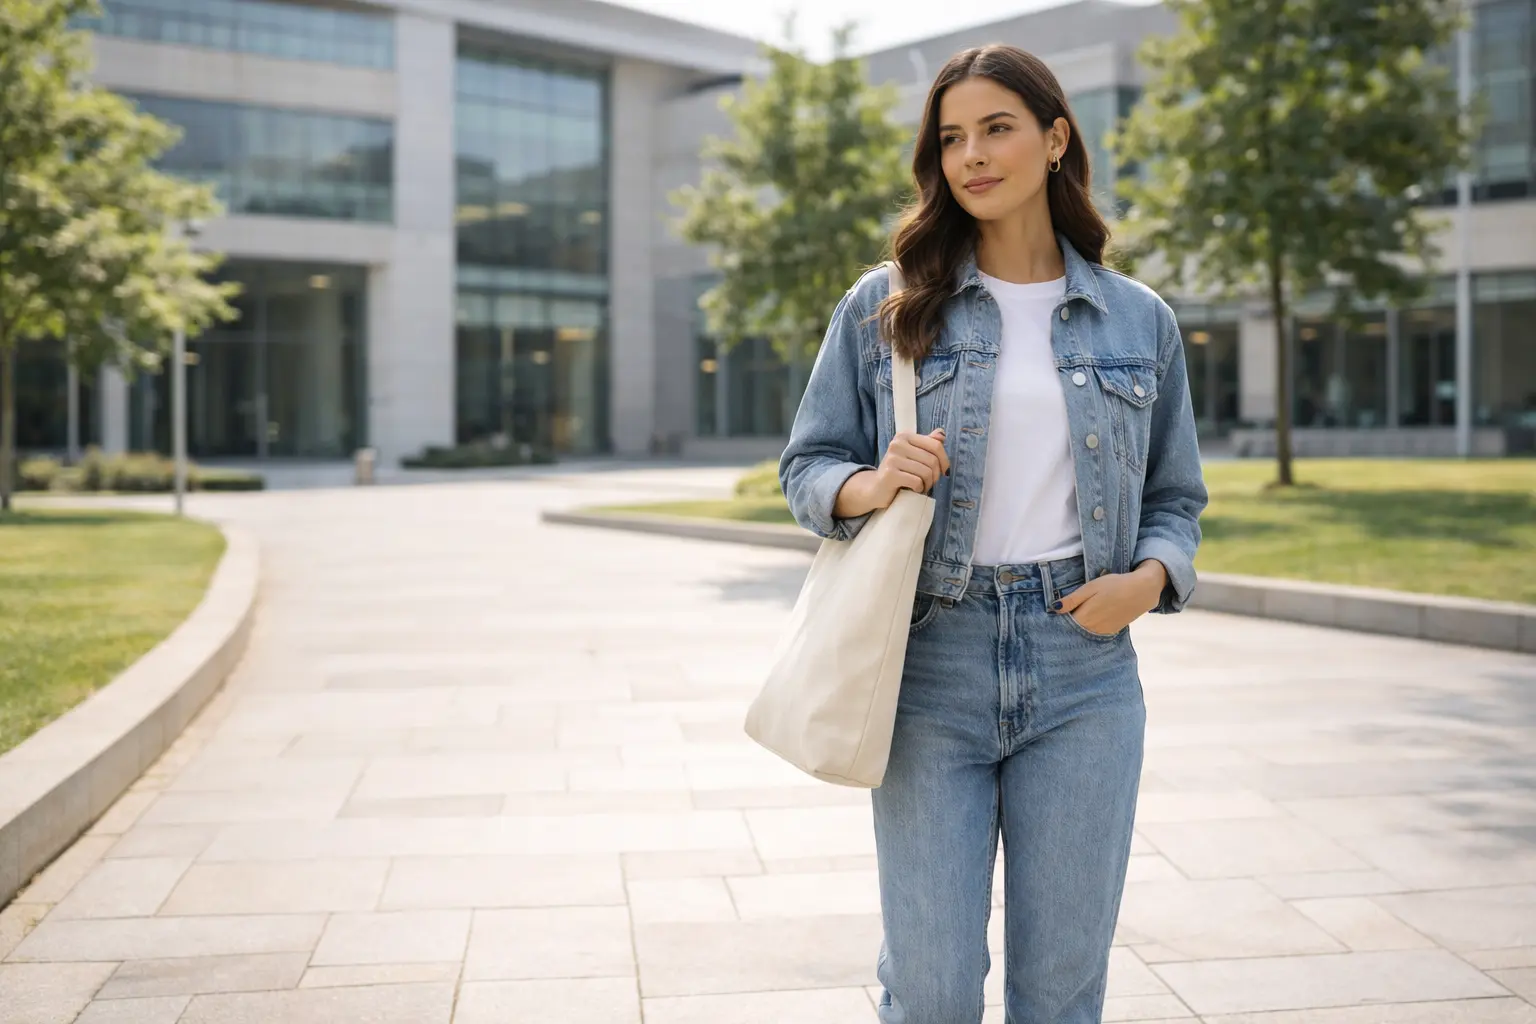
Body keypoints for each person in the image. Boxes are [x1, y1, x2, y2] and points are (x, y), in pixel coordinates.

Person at [778, 45, 1208, 1024]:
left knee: (1061, 991)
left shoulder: (1138, 320)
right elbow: (806, 468)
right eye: (952, 137)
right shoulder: (886, 305)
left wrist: (1151, 578)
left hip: (1084, 670)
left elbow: (1177, 497)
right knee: (930, 988)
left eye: (997, 128)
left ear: (1056, 138)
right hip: (934, 660)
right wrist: (870, 482)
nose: (972, 154)